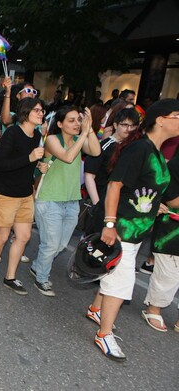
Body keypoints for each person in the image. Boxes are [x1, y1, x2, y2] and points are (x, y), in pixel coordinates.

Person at [87, 99, 179, 361]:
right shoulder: (140, 149)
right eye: (177, 115)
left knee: (112, 273)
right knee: (121, 282)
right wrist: (109, 224)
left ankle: (96, 308)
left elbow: (152, 191)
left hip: (137, 229)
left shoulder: (156, 152)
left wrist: (156, 205)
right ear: (160, 120)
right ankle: (104, 334)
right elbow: (115, 186)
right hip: (122, 229)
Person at [31, 106, 101, 296]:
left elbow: (95, 151)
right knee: (51, 245)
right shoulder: (53, 140)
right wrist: (84, 133)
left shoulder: (79, 139)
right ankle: (42, 278)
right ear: (60, 124)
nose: (76, 124)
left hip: (71, 201)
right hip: (49, 199)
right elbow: (68, 157)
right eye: (71, 120)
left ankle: (37, 265)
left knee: (60, 245)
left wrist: (90, 129)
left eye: (78, 120)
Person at [0, 98, 49, 295]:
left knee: (24, 236)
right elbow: (0, 164)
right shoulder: (12, 132)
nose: (41, 113)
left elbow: (27, 163)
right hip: (4, 192)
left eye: (42, 110)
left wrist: (38, 165)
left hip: (25, 194)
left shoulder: (37, 134)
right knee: (2, 237)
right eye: (37, 110)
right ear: (25, 113)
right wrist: (29, 158)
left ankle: (10, 277)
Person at [141, 147, 179, 332]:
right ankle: (154, 308)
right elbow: (172, 199)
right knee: (168, 273)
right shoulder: (175, 165)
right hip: (171, 232)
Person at [84, 108, 139, 234]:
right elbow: (89, 176)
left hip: (121, 207)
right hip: (102, 203)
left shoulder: (134, 148)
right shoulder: (104, 145)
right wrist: (97, 204)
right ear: (115, 125)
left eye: (132, 126)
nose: (129, 129)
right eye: (124, 125)